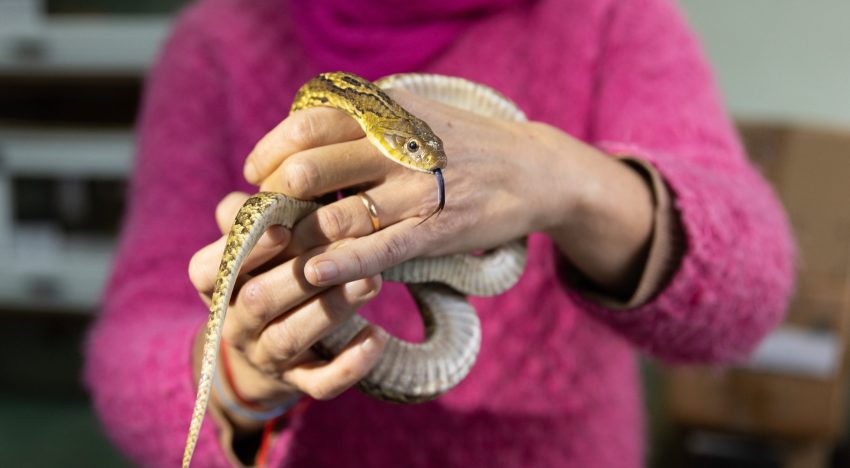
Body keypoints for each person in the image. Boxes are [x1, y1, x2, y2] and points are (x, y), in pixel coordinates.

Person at [84, 0, 794, 466]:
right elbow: (135, 331)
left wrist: (560, 175)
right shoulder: (217, 42)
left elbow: (752, 294)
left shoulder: (609, 17)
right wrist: (242, 374)